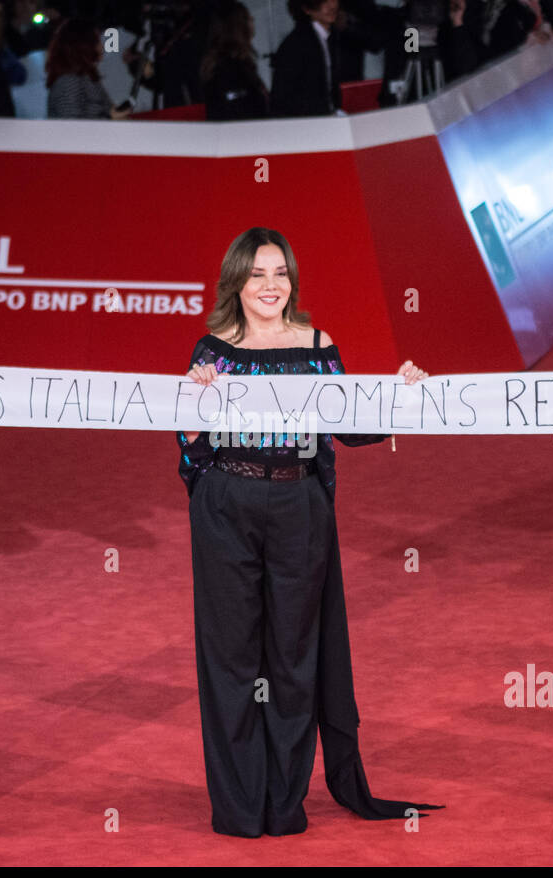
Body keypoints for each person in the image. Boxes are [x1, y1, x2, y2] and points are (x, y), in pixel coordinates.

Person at [176, 227, 443, 837]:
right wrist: (194, 403)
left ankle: (285, 802)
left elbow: (348, 425)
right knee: (232, 659)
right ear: (235, 282)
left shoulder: (319, 344)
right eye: (258, 274)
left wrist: (400, 396)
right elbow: (187, 444)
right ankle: (242, 806)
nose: (271, 286)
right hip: (226, 508)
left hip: (299, 506)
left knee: (295, 661)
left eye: (280, 274)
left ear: (291, 281)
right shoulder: (210, 350)